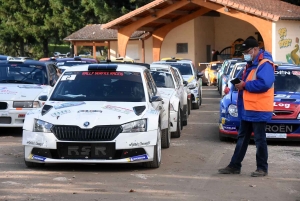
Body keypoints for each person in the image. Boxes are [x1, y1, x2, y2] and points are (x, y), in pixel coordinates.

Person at [218, 38, 275, 177]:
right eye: (244, 52)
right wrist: (237, 82)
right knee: (242, 138)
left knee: (259, 139)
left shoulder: (265, 64)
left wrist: (244, 85)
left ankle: (262, 168)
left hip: (259, 109)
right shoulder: (249, 65)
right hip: (248, 108)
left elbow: (264, 84)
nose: (245, 54)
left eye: (247, 51)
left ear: (256, 49)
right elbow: (241, 79)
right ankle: (234, 166)